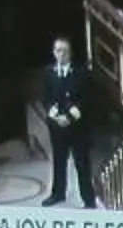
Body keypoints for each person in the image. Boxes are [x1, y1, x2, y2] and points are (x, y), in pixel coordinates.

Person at [40, 37, 95, 207]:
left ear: (70, 53)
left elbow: (86, 100)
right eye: (57, 50)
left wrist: (70, 118)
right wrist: (54, 116)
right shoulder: (49, 72)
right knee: (59, 161)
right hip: (57, 127)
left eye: (64, 51)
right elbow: (46, 97)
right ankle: (58, 194)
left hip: (77, 128)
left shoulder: (81, 73)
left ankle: (88, 199)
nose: (61, 54)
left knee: (81, 163)